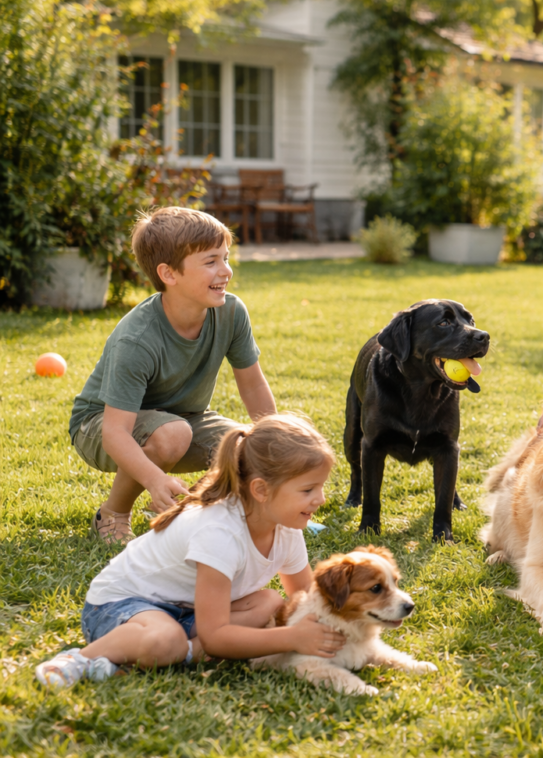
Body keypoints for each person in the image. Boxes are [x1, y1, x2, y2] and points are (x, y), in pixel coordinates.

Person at [35, 414, 345, 690]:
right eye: (308, 490)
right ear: (261, 490)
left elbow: (305, 599)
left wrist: (350, 631)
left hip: (186, 612)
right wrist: (291, 638)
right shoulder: (220, 532)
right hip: (119, 606)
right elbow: (215, 635)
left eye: (320, 487)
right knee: (166, 640)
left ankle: (152, 657)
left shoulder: (286, 527)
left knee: (269, 602)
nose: (320, 498)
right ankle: (80, 658)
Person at [68, 207, 277, 543]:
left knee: (244, 445)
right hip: (99, 427)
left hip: (182, 419)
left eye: (225, 258)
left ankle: (189, 514)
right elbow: (114, 432)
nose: (226, 271)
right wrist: (153, 478)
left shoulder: (231, 312)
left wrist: (274, 441)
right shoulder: (137, 339)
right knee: (172, 434)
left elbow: (252, 385)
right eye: (211, 262)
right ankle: (112, 514)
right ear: (169, 273)